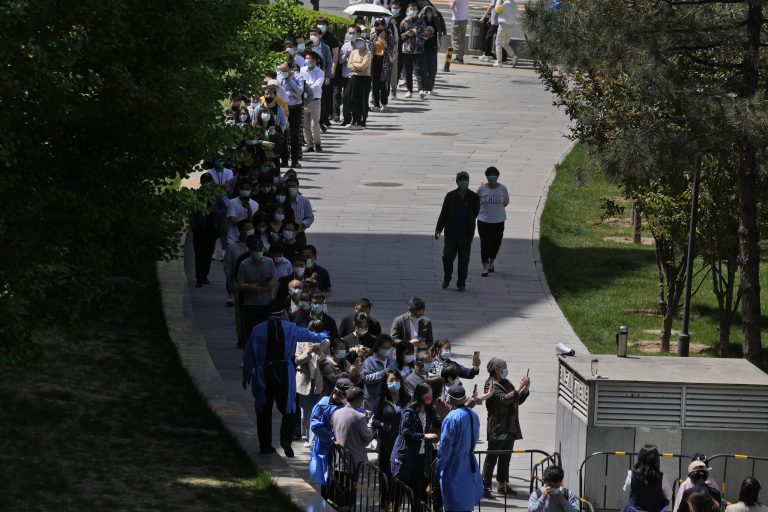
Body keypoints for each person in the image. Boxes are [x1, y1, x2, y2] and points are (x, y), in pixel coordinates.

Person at [242, 303, 329, 456]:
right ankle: (286, 440)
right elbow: (311, 335)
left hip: (264, 371)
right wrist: (322, 336)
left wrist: (247, 374)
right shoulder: (291, 328)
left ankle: (265, 445)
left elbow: (249, 353)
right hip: (284, 371)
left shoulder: (258, 329)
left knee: (263, 409)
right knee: (289, 408)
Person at [482, 356, 530, 496]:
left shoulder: (506, 382)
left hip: (510, 426)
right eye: (503, 368)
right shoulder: (490, 385)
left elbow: (516, 400)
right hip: (498, 427)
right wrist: (519, 387)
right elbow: (503, 399)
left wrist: (525, 390)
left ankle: (503, 484)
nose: (505, 370)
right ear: (496, 369)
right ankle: (486, 486)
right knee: (492, 457)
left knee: (506, 457)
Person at [391, 381, 442, 506]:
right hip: (406, 456)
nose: (430, 397)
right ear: (421, 395)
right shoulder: (409, 412)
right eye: (428, 395)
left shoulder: (429, 411)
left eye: (431, 395)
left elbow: (440, 423)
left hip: (421, 456)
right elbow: (405, 431)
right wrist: (424, 435)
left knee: (418, 491)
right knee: (399, 490)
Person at [436, 385, 485, 512]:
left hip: (453, 464)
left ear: (449, 399)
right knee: (466, 500)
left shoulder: (452, 417)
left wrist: (439, 467)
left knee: (454, 502)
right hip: (469, 462)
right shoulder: (472, 414)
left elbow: (445, 445)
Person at [435, 171, 480, 291]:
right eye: (461, 180)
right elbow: (444, 214)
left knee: (463, 261)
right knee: (448, 258)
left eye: (466, 180)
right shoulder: (450, 196)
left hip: (465, 236)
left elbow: (476, 213)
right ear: (457, 182)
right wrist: (439, 229)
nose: (464, 182)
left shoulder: (474, 197)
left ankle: (461, 283)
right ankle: (447, 277)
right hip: (451, 235)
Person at [309, 378, 354, 490]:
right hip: (326, 446)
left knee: (339, 476)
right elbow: (315, 425)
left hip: (341, 447)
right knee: (326, 476)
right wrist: (332, 437)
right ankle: (326, 498)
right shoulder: (323, 405)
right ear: (338, 393)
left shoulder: (344, 405)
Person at [374, 369, 410, 499]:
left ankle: (397, 503)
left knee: (399, 477)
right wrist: (383, 425)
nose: (394, 383)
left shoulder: (407, 400)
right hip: (386, 445)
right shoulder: (382, 401)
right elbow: (375, 420)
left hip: (402, 446)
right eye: (391, 380)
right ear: (386, 383)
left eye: (396, 380)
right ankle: (386, 503)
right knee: (386, 476)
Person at [295, 319, 330, 447]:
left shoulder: (326, 343)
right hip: (305, 380)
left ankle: (313, 437)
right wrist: (308, 353)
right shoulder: (301, 341)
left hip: (319, 381)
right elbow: (297, 360)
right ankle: (305, 436)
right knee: (305, 411)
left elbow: (329, 361)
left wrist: (320, 353)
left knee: (317, 411)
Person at [237, 237, 277, 336]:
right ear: (250, 250)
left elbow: (274, 281)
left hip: (267, 303)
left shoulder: (269, 262)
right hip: (250, 305)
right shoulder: (244, 264)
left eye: (260, 249)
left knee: (266, 331)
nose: (258, 252)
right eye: (255, 250)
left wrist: (261, 287)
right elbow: (240, 284)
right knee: (251, 331)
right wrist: (255, 286)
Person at [331, 386, 375, 470]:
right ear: (359, 400)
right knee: (350, 483)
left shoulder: (335, 413)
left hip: (338, 460)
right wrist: (369, 425)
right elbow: (367, 438)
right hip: (353, 462)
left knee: (338, 482)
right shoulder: (360, 417)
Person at [476, 166, 510, 276]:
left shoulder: (503, 189)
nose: (491, 178)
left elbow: (505, 202)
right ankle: (485, 266)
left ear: (497, 177)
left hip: (499, 221)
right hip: (483, 221)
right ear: (486, 177)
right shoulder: (481, 189)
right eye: (489, 176)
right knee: (484, 243)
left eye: (493, 176)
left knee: (496, 242)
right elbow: (476, 202)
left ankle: (491, 262)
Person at [621, 444, 672, 512]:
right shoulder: (662, 477)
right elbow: (668, 495)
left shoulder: (631, 475)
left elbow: (628, 491)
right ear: (656, 460)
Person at [190, 173, 219, 288]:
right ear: (201, 183)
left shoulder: (216, 196)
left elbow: (223, 210)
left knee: (208, 253)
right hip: (199, 229)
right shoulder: (196, 195)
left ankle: (205, 276)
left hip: (212, 228)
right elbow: (192, 212)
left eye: (208, 182)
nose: (206, 184)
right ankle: (199, 278)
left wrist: (216, 212)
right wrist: (193, 226)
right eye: (204, 182)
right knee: (199, 254)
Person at [277, 61, 305, 169]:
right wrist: (291, 93)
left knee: (294, 134)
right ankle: (284, 160)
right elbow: (279, 93)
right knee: (283, 133)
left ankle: (295, 161)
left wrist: (290, 80)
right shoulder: (279, 78)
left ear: (290, 69)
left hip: (295, 108)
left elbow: (300, 91)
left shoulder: (298, 76)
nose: (283, 72)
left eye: (286, 70)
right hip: (283, 109)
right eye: (282, 70)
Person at [361, 335, 398, 411]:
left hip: (387, 399)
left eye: (389, 348)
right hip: (372, 399)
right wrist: (383, 372)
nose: (387, 350)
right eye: (384, 348)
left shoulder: (391, 361)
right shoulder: (369, 361)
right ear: (378, 347)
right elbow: (366, 379)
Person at [316, 20, 340, 130]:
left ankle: (327, 116)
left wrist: (332, 70)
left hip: (325, 71)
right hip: (314, 73)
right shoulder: (313, 39)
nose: (321, 26)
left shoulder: (331, 38)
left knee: (326, 95)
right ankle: (321, 118)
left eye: (323, 24)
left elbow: (335, 55)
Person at [400, 3, 427, 99]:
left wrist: (417, 32)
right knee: (408, 71)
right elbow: (400, 36)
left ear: (417, 11)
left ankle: (421, 90)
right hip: (407, 50)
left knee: (419, 70)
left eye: (414, 9)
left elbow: (425, 35)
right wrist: (407, 34)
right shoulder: (404, 22)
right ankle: (409, 91)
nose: (413, 11)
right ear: (407, 11)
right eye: (411, 9)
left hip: (418, 50)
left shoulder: (421, 21)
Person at [299, 51, 325, 154]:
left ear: (314, 61)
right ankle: (309, 144)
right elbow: (300, 83)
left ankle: (317, 144)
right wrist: (306, 87)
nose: (306, 61)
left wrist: (305, 87)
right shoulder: (302, 70)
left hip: (315, 101)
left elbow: (317, 86)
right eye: (306, 58)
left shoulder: (320, 72)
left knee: (315, 124)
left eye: (308, 59)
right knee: (305, 125)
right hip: (304, 101)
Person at [224, 219, 253, 306]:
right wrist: (229, 282)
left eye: (252, 228)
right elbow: (228, 265)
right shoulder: (232, 247)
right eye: (247, 229)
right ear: (241, 231)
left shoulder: (257, 245)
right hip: (238, 280)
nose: (251, 231)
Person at [347, 37, 373, 128]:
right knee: (352, 98)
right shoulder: (353, 52)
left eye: (360, 42)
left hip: (364, 79)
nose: (358, 43)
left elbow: (363, 66)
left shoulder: (368, 53)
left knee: (362, 99)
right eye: (357, 42)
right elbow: (348, 64)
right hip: (354, 77)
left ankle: (362, 119)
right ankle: (354, 118)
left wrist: (354, 65)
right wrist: (356, 67)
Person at [370, 18, 393, 111]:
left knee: (383, 83)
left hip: (385, 60)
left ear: (384, 26)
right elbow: (370, 48)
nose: (379, 29)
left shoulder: (389, 35)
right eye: (377, 26)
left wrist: (383, 41)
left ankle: (384, 102)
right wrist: (375, 41)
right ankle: (376, 104)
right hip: (374, 60)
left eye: (381, 26)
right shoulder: (373, 35)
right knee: (374, 84)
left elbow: (391, 49)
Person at [227, 180, 259, 246]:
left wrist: (249, 209)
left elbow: (252, 222)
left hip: (249, 239)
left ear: (251, 190)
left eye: (247, 189)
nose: (245, 191)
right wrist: (247, 225)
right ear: (238, 189)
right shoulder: (232, 202)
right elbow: (233, 220)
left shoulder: (255, 204)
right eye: (243, 189)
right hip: (233, 238)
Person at [285, 176, 315, 244]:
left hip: (299, 233)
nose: (291, 188)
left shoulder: (304, 201)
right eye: (289, 186)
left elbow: (310, 217)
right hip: (284, 233)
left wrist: (302, 224)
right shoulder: (283, 200)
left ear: (298, 187)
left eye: (293, 186)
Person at [419, 6, 441, 95]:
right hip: (423, 48)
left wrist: (439, 43)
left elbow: (440, 32)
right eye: (427, 12)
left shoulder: (435, 21)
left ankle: (430, 87)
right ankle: (425, 87)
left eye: (430, 12)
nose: (429, 14)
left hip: (433, 47)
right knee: (424, 69)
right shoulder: (421, 22)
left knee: (432, 69)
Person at [336, 26, 356, 125]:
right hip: (346, 75)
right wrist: (346, 55)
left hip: (357, 75)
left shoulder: (361, 44)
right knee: (346, 97)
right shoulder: (345, 46)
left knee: (355, 97)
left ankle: (356, 118)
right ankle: (346, 118)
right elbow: (340, 60)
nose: (351, 35)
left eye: (353, 33)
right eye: (350, 33)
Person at [493, 0, 519, 67]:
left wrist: (498, 0)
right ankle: (513, 56)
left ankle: (499, 62)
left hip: (503, 25)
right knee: (506, 44)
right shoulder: (514, 4)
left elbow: (497, 10)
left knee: (498, 44)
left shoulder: (506, 3)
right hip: (511, 26)